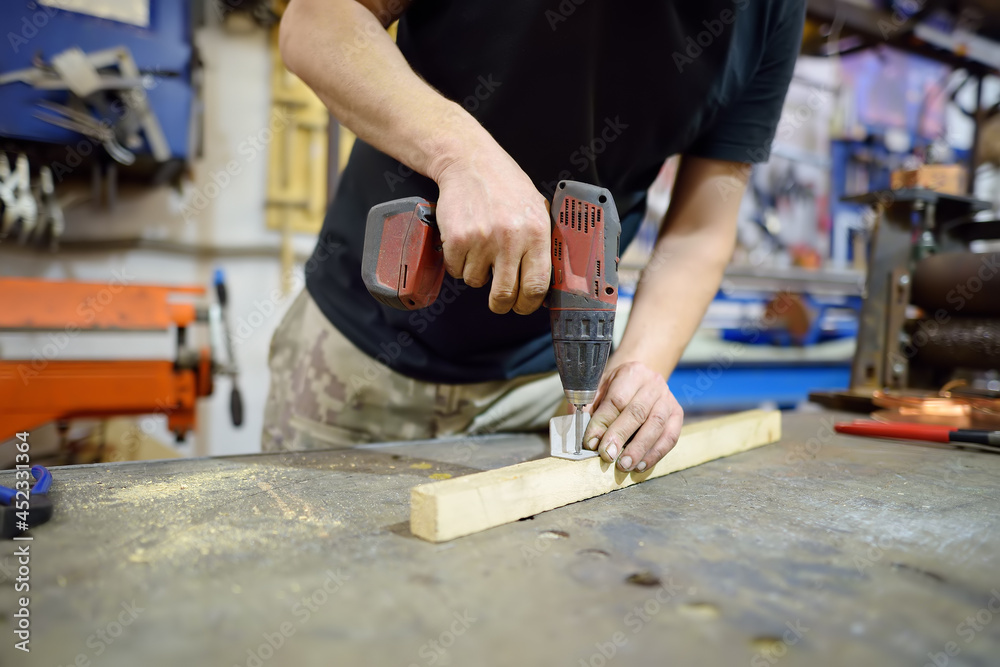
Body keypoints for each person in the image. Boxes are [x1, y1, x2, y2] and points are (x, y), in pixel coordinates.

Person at [264, 0, 805, 474]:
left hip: (547, 387)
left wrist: (643, 365)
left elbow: (701, 227)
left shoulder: (772, 10)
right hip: (358, 356)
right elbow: (315, 20)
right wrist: (461, 155)